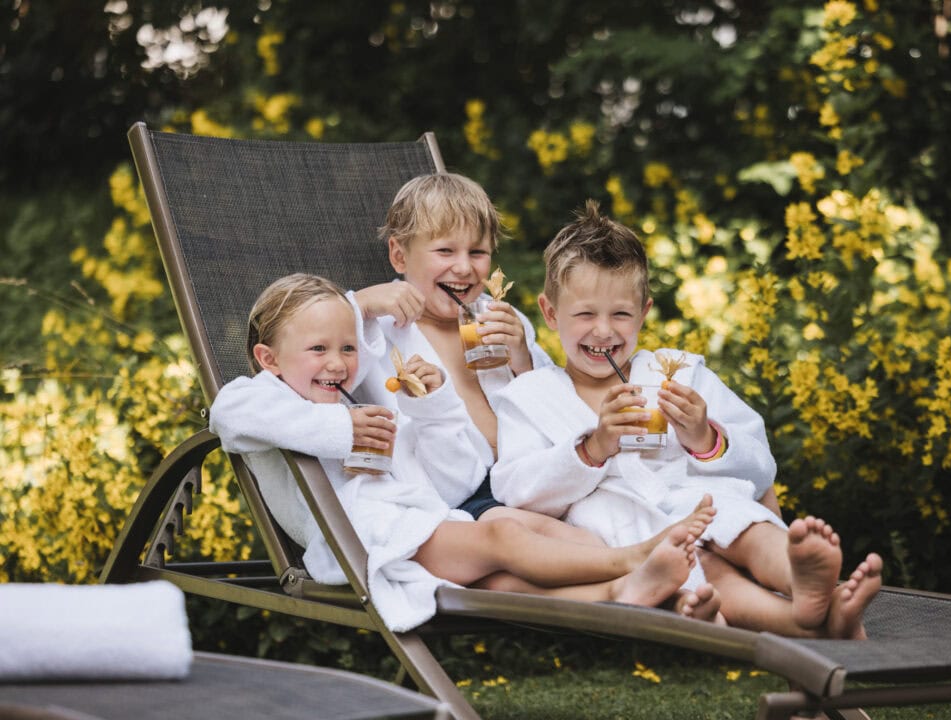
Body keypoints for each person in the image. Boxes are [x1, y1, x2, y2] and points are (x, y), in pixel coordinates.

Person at [208, 272, 711, 633]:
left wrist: (431, 406)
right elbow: (226, 414)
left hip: (416, 520)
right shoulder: (261, 397)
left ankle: (621, 591)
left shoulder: (350, 398)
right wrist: (343, 425)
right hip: (364, 540)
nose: (338, 363)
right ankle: (631, 559)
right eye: (319, 350)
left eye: (349, 348)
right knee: (501, 534)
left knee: (510, 556)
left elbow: (443, 474)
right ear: (268, 359)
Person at [490, 201, 883, 637]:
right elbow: (515, 489)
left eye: (621, 314)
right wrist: (592, 447)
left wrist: (705, 437)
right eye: (585, 315)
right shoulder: (529, 396)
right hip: (626, 528)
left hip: (703, 498)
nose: (604, 331)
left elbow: (759, 463)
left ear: (644, 313)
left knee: (746, 525)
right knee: (709, 570)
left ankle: (801, 578)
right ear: (549, 314)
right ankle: (803, 619)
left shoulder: (677, 373)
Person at [347, 172, 722, 619]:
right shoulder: (374, 334)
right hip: (454, 496)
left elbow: (556, 402)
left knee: (574, 546)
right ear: (398, 254)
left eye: (478, 252)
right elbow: (307, 333)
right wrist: (362, 303)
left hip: (528, 482)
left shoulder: (501, 320)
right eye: (445, 251)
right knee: (508, 554)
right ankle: (637, 572)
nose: (464, 267)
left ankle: (642, 587)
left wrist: (523, 357)